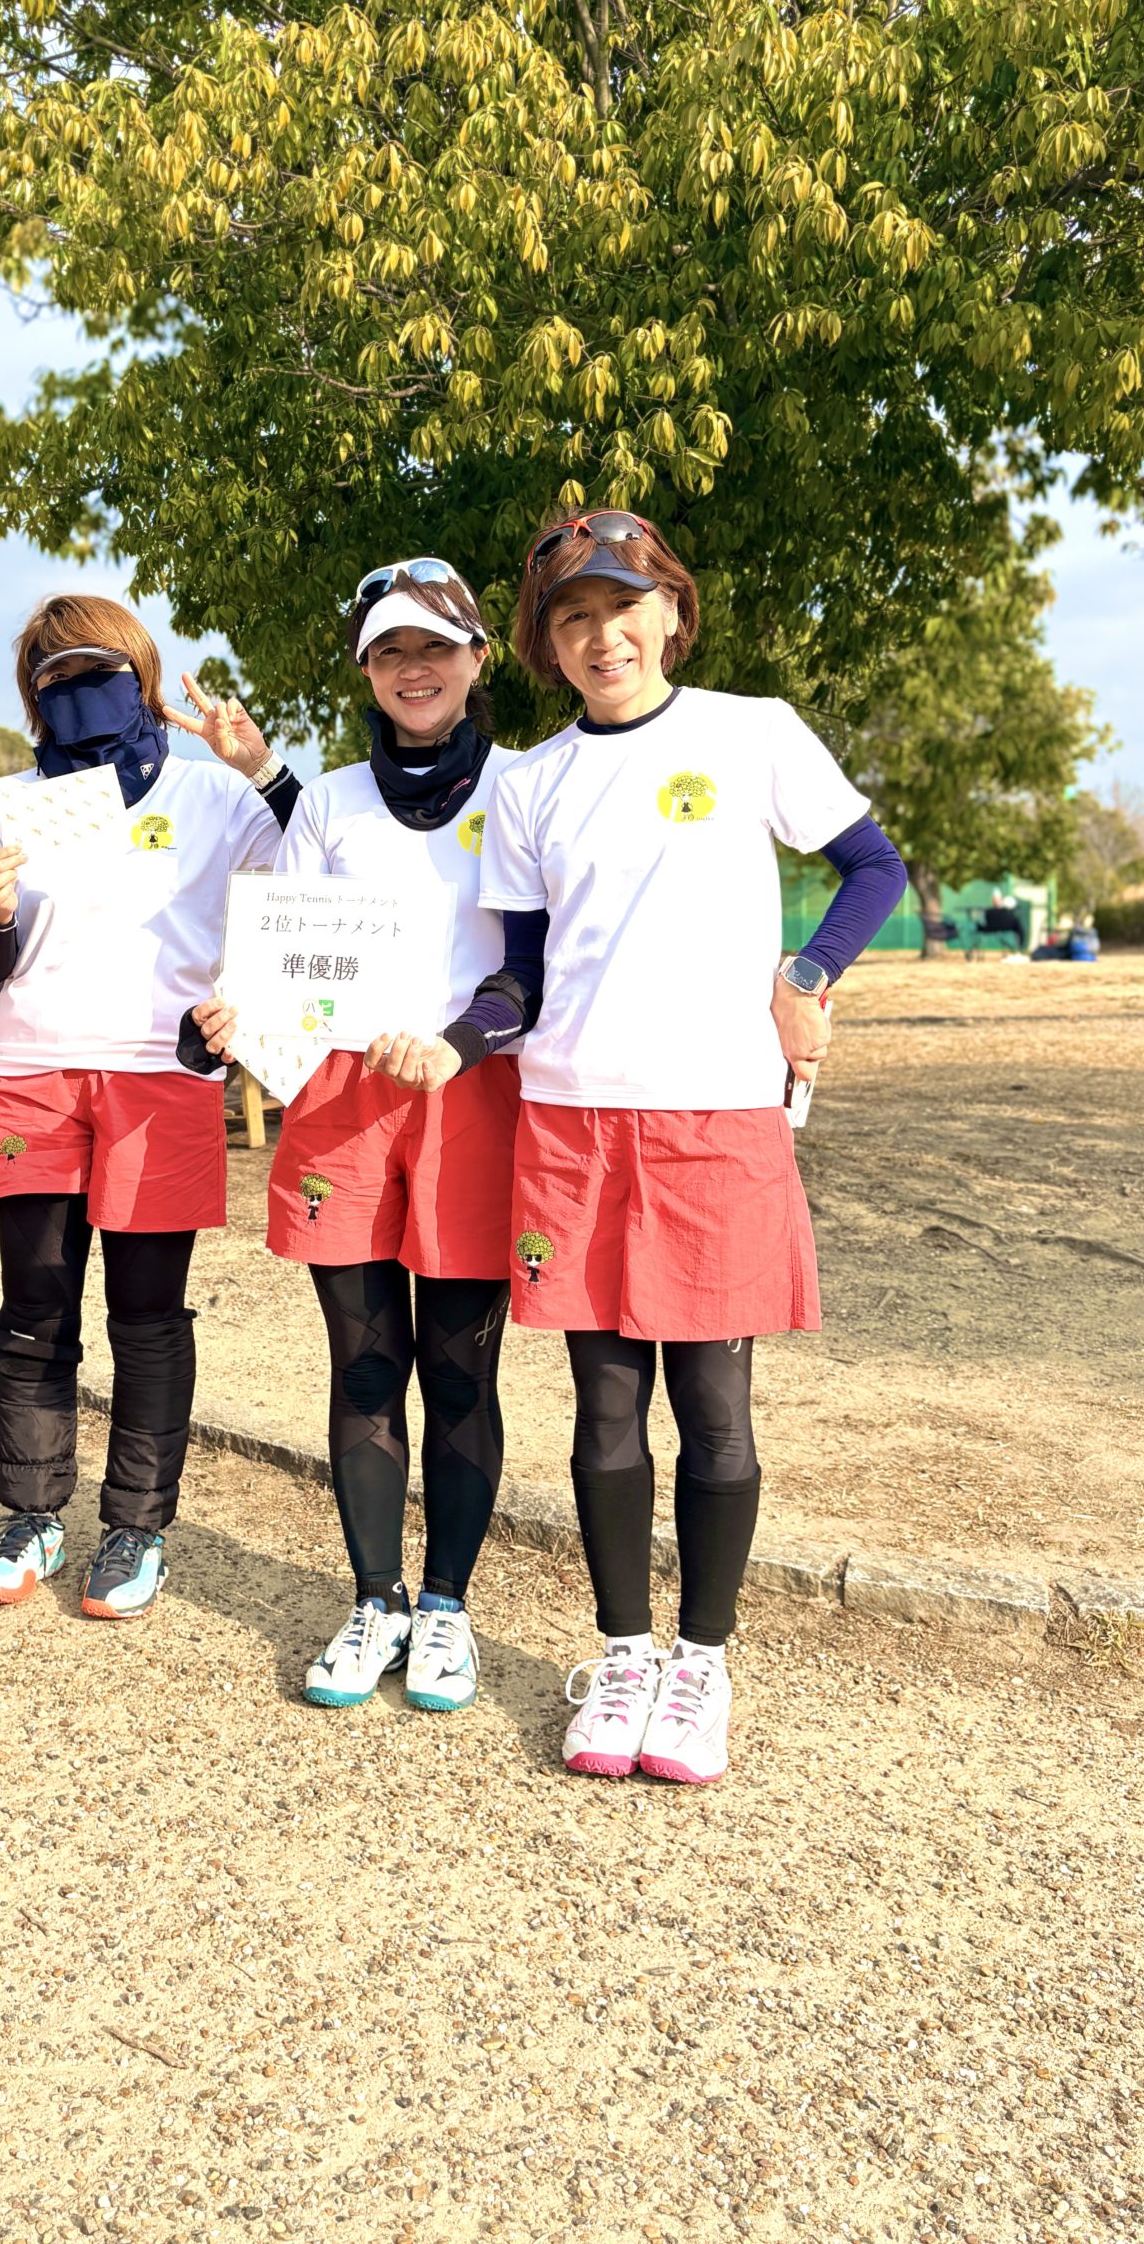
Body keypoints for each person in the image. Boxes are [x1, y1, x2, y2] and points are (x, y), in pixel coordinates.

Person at [464, 513, 906, 1782]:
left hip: (716, 1114)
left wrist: (805, 976)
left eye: (623, 607)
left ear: (671, 612)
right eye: (572, 616)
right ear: (546, 643)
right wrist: (456, 1038)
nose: (602, 635)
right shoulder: (528, 784)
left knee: (714, 1406)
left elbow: (871, 866)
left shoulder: (750, 731)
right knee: (604, 1405)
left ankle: (701, 1662)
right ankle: (623, 1656)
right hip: (572, 1121)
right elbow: (523, 973)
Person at [187, 562, 523, 1714]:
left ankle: (447, 1607)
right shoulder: (327, 802)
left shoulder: (528, 789)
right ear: (367, 671)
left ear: (478, 656)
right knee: (367, 1366)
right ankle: (377, 1598)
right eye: (389, 650)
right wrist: (238, 1014)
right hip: (345, 1104)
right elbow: (288, 953)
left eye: (434, 645)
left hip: (474, 1095)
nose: (413, 667)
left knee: (462, 1372)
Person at [0, 596, 298, 1620]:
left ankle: (137, 1526)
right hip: (34, 1073)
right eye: (53, 676)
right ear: (31, 696)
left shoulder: (212, 795)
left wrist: (260, 767)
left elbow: (318, 872)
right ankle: (32, 1514)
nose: (76, 690)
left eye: (97, 670)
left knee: (147, 1317)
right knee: (34, 1311)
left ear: (143, 676)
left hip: (161, 1077)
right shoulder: (8, 800)